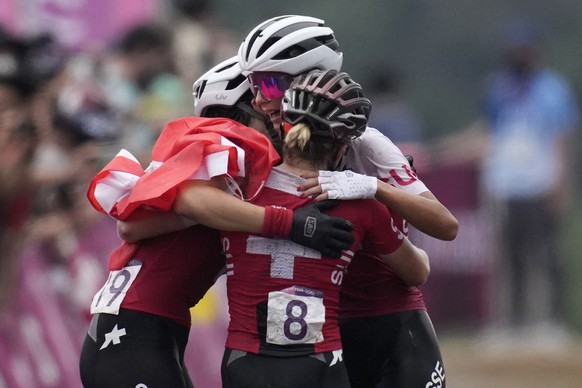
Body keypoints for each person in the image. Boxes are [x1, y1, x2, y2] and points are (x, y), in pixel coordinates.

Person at [80, 56, 353, 387]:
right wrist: (290, 223)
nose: (275, 112)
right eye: (263, 97)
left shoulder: (225, 162)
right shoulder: (232, 141)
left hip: (141, 327)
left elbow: (133, 225)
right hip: (136, 330)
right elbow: (189, 202)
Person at [238, 14, 458, 387]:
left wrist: (373, 187)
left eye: (270, 85)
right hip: (323, 331)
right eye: (252, 87)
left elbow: (445, 225)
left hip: (392, 321)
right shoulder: (263, 144)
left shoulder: (366, 144)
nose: (259, 100)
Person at [217, 68, 429, 388]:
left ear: (284, 126)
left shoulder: (241, 187)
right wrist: (385, 199)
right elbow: (417, 271)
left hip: (244, 361)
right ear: (342, 148)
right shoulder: (362, 207)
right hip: (319, 363)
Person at [442, 19, 578, 340]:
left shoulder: (552, 90)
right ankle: (515, 323)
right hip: (505, 184)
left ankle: (551, 322)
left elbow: (562, 138)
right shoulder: (498, 89)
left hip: (540, 182)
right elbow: (487, 134)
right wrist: (444, 152)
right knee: (509, 256)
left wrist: (562, 181)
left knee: (547, 254)